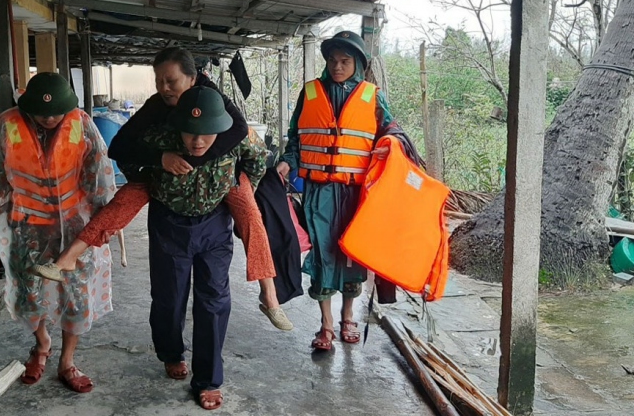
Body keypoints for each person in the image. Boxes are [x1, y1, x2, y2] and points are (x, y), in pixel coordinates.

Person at [38, 47, 292, 330]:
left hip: (220, 179)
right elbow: (121, 147)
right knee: (121, 205)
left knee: (250, 215)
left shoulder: (213, 100)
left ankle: (269, 294)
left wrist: (227, 177)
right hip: (162, 180)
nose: (164, 88)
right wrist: (158, 162)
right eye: (159, 81)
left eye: (171, 81)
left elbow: (245, 138)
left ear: (193, 78)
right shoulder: (158, 107)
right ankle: (69, 257)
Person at [0, 73, 115, 392]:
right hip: (26, 228)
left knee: (75, 296)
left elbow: (99, 173)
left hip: (76, 229)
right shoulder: (7, 126)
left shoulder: (82, 123)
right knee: (28, 294)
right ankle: (42, 344)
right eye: (41, 112)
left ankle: (67, 361)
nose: (49, 118)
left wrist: (104, 220)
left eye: (55, 112)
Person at [276, 31, 412, 349]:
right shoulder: (310, 93)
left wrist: (390, 144)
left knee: (352, 255)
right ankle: (326, 327)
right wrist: (287, 161)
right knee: (323, 255)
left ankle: (348, 317)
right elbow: (295, 137)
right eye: (333, 61)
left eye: (345, 61)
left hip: (355, 195)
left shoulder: (373, 96)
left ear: (358, 63)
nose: (337, 67)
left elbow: (391, 132)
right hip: (318, 192)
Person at [150, 86, 267, 410]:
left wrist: (240, 193)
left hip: (215, 224)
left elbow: (259, 160)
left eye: (206, 134)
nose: (197, 142)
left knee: (214, 300)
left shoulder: (238, 136)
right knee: (169, 297)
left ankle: (209, 379)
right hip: (169, 225)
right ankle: (171, 352)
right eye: (190, 133)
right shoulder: (161, 135)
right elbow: (129, 158)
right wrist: (159, 162)